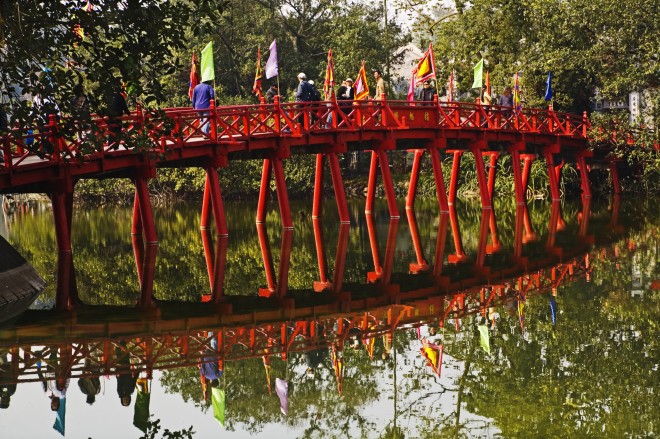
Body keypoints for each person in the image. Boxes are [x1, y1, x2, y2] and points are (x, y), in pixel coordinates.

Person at [105, 80, 130, 149]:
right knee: (118, 132)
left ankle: (110, 147)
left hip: (110, 117)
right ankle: (115, 147)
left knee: (111, 132)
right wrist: (128, 113)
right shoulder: (119, 96)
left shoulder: (109, 97)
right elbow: (124, 106)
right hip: (118, 117)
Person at [115, 341, 139, 407]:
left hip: (121, 371)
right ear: (129, 399)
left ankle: (117, 342)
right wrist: (137, 372)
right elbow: (134, 380)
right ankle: (123, 341)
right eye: (127, 401)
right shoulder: (131, 391)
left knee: (118, 355)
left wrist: (118, 374)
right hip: (127, 370)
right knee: (126, 355)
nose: (125, 400)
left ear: (122, 400)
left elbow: (118, 382)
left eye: (124, 401)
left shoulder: (120, 392)